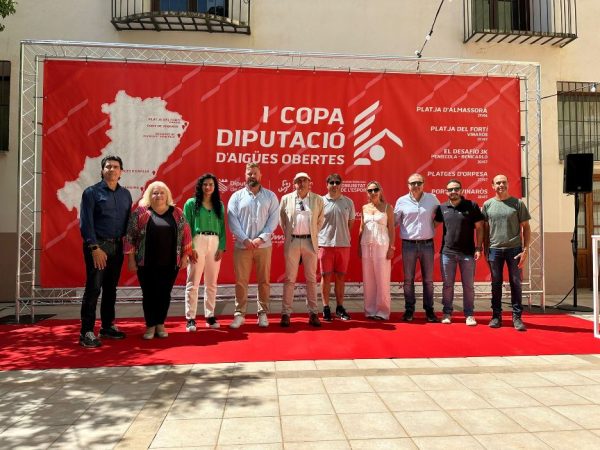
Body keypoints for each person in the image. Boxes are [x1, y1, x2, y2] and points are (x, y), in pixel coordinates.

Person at [124, 181, 192, 339]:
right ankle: (150, 326)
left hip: (170, 263)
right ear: (149, 195)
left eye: (161, 193)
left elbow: (186, 235)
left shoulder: (177, 213)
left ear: (167, 195)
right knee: (148, 294)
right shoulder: (140, 213)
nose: (158, 196)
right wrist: (131, 260)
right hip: (145, 263)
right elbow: (130, 237)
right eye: (155, 193)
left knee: (164, 294)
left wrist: (184, 256)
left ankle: (160, 324)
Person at [79, 155, 132, 348]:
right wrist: (94, 247)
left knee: (111, 289)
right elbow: (86, 223)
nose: (112, 169)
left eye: (116, 167)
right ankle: (86, 332)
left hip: (117, 247)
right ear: (102, 171)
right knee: (94, 288)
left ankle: (107, 326)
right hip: (98, 247)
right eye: (108, 166)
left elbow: (128, 224)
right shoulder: (91, 193)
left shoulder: (125, 195)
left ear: (121, 172)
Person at [227, 163, 279, 329]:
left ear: (260, 175)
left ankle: (262, 313)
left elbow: (273, 220)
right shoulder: (236, 197)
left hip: (263, 247)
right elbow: (232, 220)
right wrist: (245, 239)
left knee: (264, 281)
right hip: (242, 247)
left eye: (255, 173)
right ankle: (239, 314)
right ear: (245, 175)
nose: (252, 176)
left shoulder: (271, 197)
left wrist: (260, 239)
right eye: (249, 173)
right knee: (241, 282)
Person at [482, 174, 530, 331]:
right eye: (497, 183)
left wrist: (525, 250)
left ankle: (517, 317)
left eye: (503, 182)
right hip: (494, 250)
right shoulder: (487, 205)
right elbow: (485, 229)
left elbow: (526, 227)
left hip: (514, 250)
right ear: (492, 186)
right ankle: (496, 316)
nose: (501, 185)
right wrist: (485, 248)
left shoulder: (518, 204)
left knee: (515, 283)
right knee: (495, 283)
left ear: (508, 184)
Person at [434, 179, 484, 326]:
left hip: (467, 253)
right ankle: (447, 313)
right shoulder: (442, 208)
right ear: (446, 192)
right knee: (447, 285)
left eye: (456, 189)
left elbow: (480, 228)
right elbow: (432, 225)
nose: (453, 191)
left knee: (468, 286)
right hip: (447, 253)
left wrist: (479, 248)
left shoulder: (471, 206)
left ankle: (469, 314)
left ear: (461, 191)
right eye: (450, 189)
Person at [279, 172, 324, 327]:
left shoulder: (317, 199)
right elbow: (282, 221)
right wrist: (290, 236)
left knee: (311, 279)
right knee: (290, 279)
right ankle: (286, 313)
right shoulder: (286, 199)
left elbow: (320, 220)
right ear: (294, 183)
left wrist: (312, 234)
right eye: (299, 181)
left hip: (309, 242)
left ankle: (313, 313)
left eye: (305, 180)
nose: (302, 183)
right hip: (292, 242)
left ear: (310, 182)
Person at [394, 173, 440, 323]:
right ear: (408, 185)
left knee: (428, 280)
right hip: (409, 245)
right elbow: (394, 222)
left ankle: (429, 311)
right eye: (412, 183)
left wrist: (433, 226)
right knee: (408, 280)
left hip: (427, 245)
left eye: (418, 183)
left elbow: (440, 214)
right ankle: (409, 310)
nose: (416, 185)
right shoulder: (401, 201)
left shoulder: (432, 199)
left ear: (423, 184)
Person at [183, 173, 226, 331]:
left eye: (211, 185)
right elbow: (186, 228)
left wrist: (221, 246)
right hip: (197, 241)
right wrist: (190, 248)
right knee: (193, 282)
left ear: (215, 188)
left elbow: (222, 227)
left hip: (214, 242)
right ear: (200, 186)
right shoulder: (191, 203)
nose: (208, 187)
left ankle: (210, 315)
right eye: (205, 184)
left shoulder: (219, 205)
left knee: (211, 282)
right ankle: (191, 318)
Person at [318, 173, 355, 321]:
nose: (334, 185)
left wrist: (342, 236)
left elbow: (350, 223)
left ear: (341, 184)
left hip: (343, 245)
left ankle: (340, 308)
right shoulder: (320, 201)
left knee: (340, 277)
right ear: (327, 184)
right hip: (325, 245)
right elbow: (315, 223)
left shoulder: (348, 202)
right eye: (331, 182)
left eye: (337, 182)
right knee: (325, 277)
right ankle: (326, 308)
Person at [358, 181, 395, 320]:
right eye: (370, 190)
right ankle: (370, 310)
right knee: (368, 279)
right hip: (366, 246)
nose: (373, 192)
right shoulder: (364, 208)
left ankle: (382, 311)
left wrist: (392, 247)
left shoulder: (387, 208)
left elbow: (391, 229)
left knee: (382, 279)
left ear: (380, 191)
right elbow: (361, 228)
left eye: (375, 190)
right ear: (367, 193)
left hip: (382, 246)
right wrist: (358, 247)